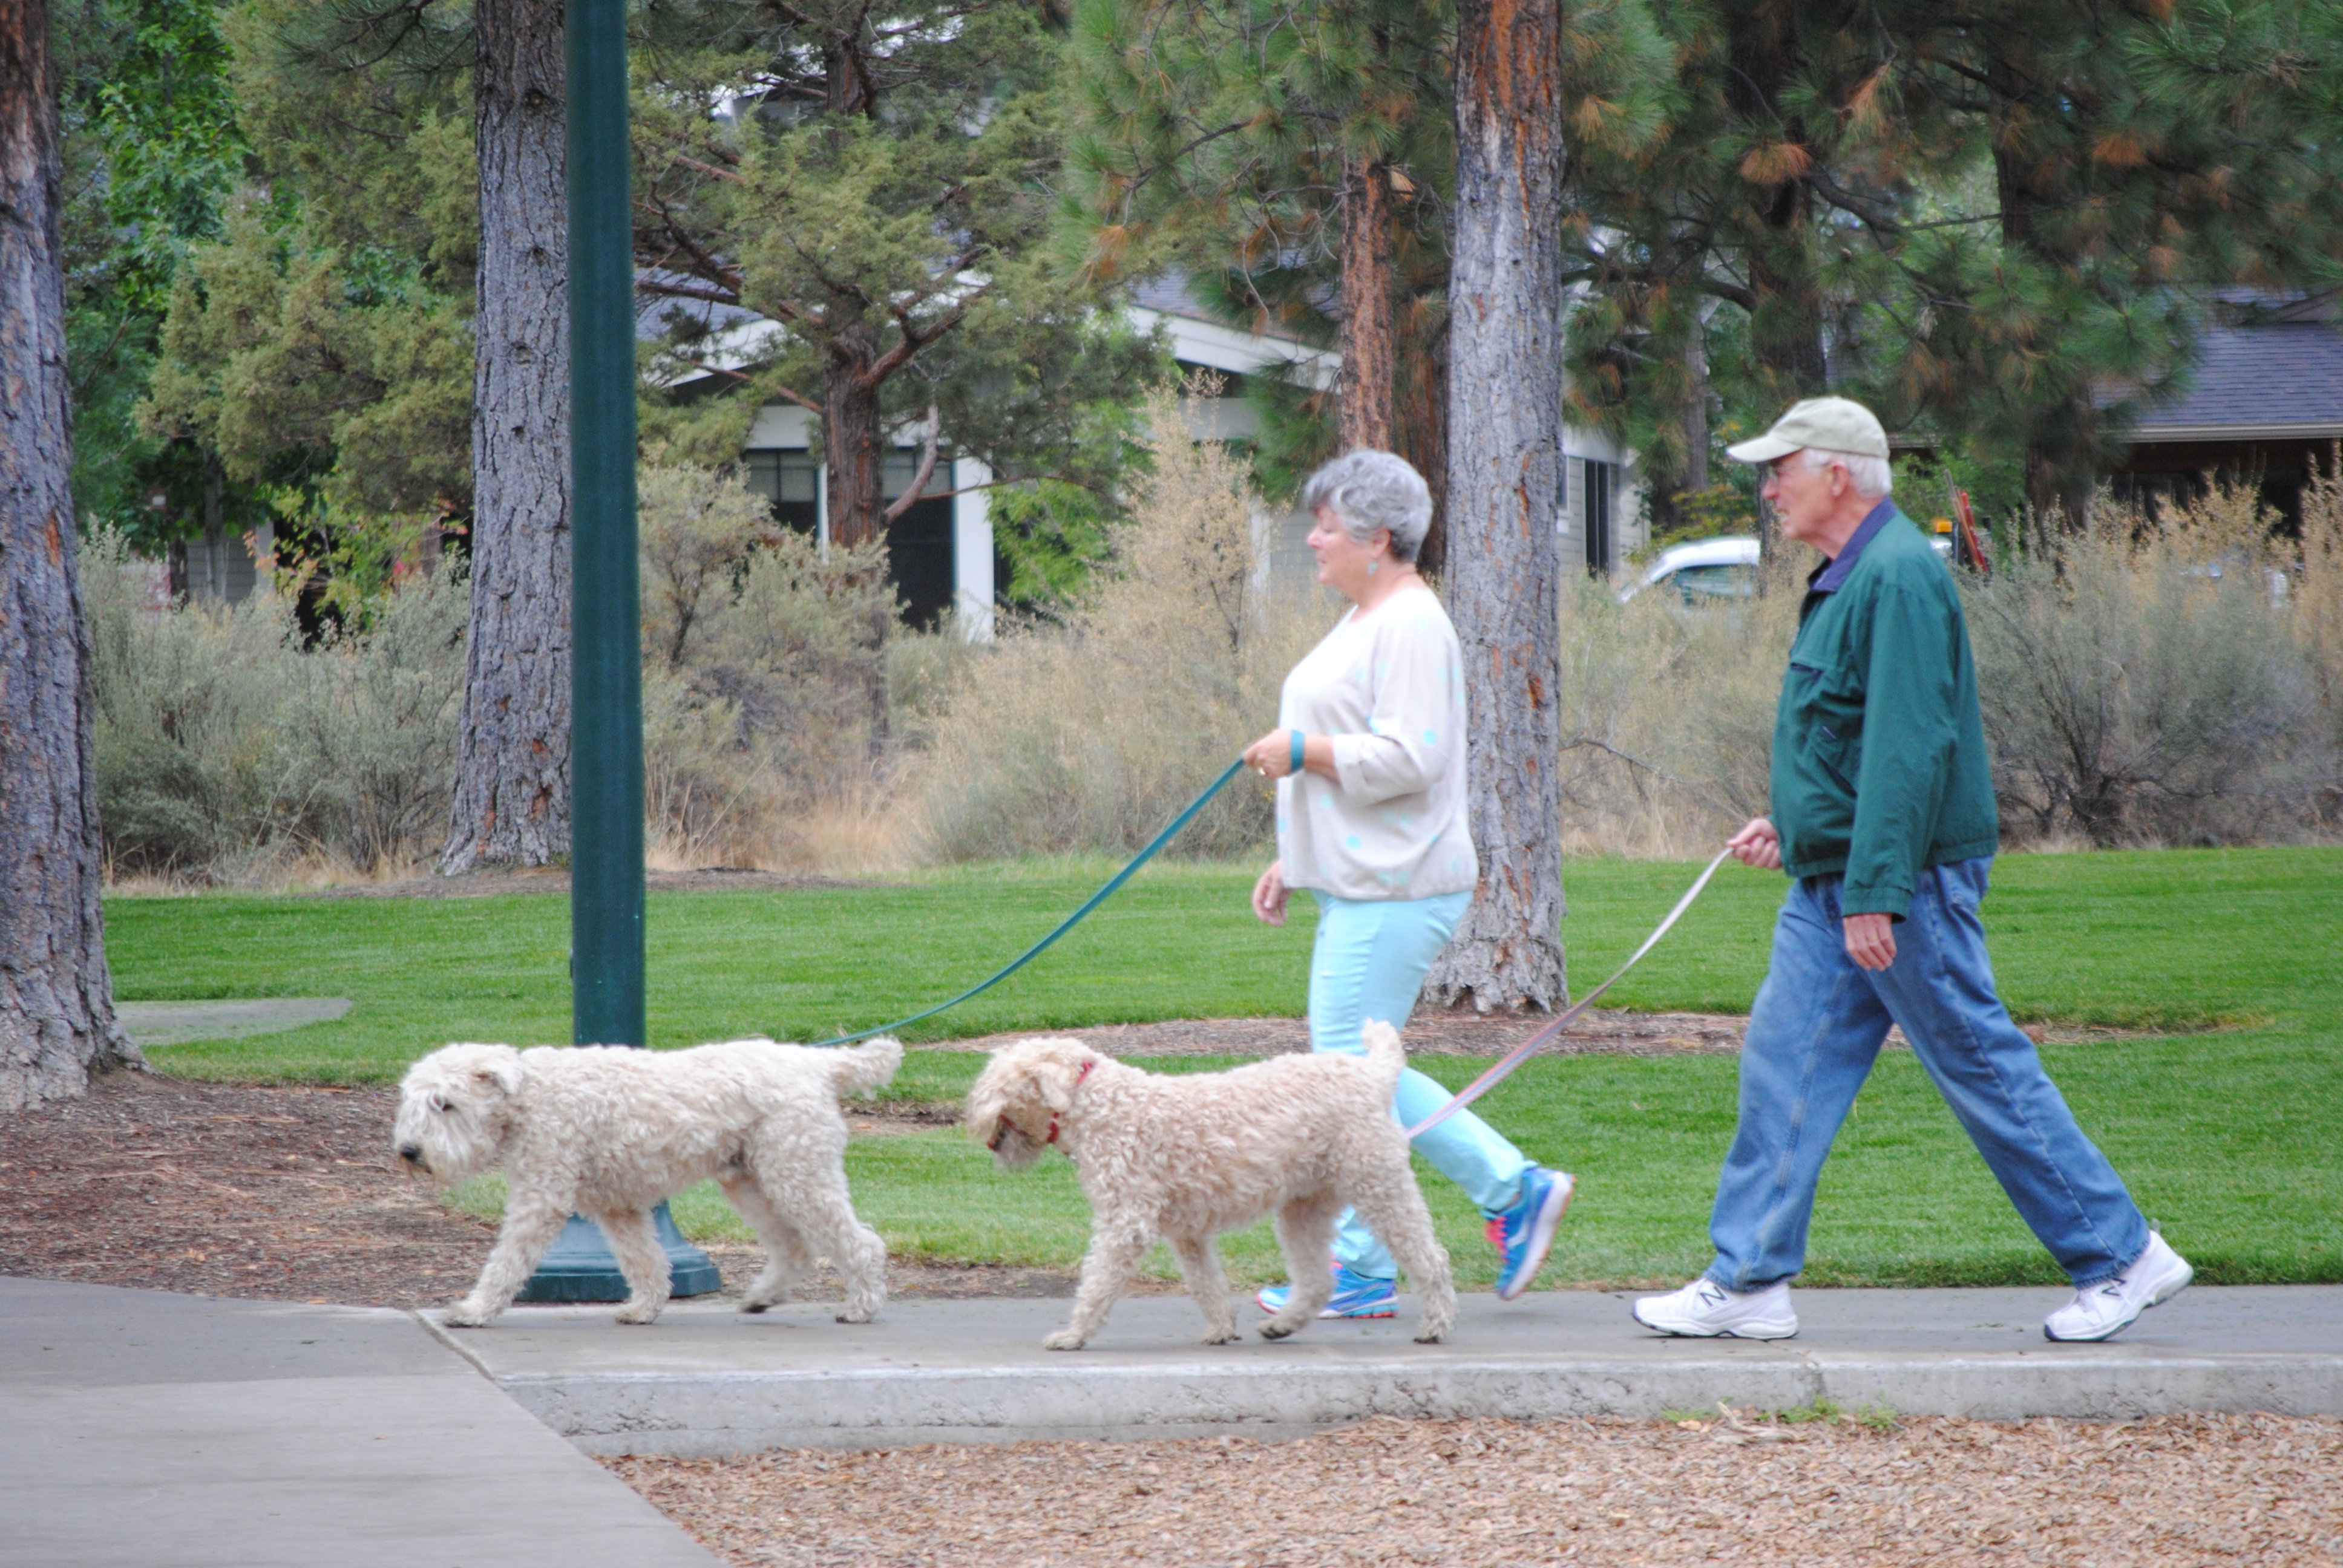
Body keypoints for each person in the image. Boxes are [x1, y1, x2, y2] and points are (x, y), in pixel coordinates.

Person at [1633, 397, 2192, 1344]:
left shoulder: (1896, 577)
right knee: (1784, 1065)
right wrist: (1799, 826)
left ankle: (2123, 1256)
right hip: (1841, 875)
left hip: (1901, 883)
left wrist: (1877, 895)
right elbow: (1852, 741)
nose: (1768, 487)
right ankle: (1751, 1277)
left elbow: (1909, 750)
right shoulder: (1853, 575)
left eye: (1782, 470)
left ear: (1837, 475)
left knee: (1978, 1063)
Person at [1243, 450, 1573, 1320]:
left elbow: (1413, 758)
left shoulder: (1412, 624)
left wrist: (1303, 754)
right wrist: (1297, 855)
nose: (1312, 539)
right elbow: (1360, 740)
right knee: (1356, 1073)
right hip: (1362, 881)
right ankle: (1469, 1212)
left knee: (1346, 1078)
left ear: (1377, 539)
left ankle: (1405, 1245)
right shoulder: (1367, 617)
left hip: (1396, 889)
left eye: (1326, 526)